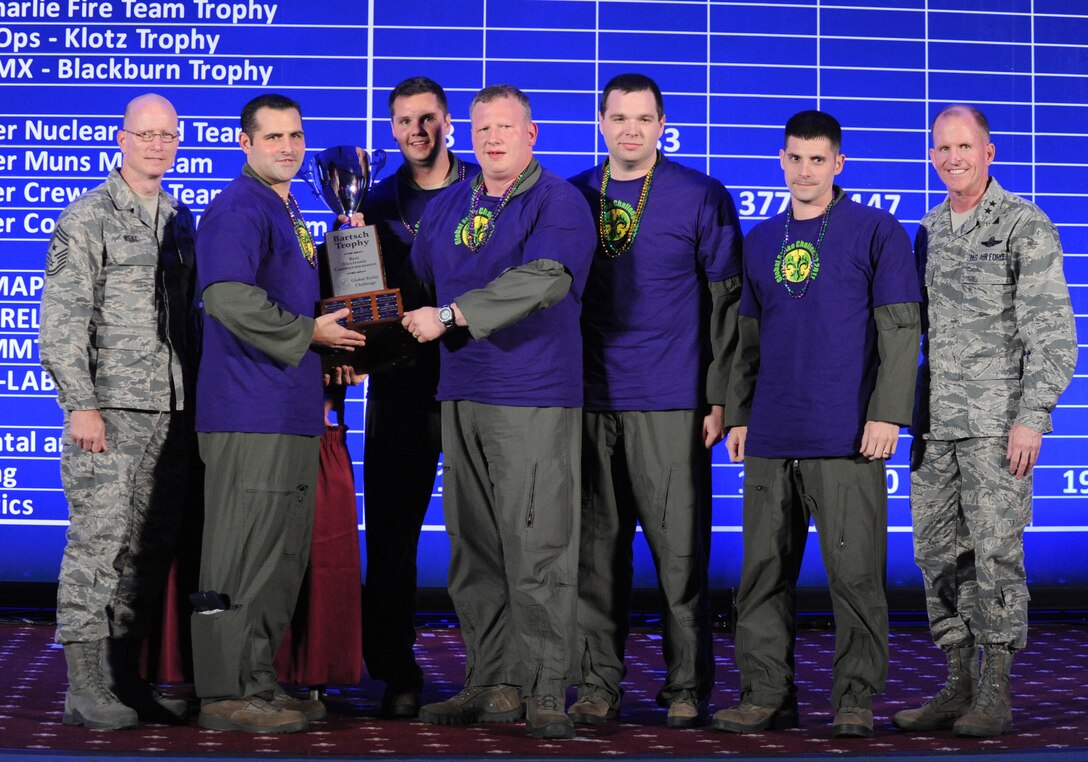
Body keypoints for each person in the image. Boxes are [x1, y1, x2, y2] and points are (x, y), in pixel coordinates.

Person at [711, 110, 921, 738]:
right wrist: (741, 415)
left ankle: (855, 698)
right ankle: (766, 694)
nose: (805, 170)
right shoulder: (759, 239)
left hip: (846, 436)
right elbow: (747, 339)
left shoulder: (877, 231)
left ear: (838, 164)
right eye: (795, 158)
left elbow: (901, 330)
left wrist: (887, 412)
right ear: (782, 161)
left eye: (817, 159)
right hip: (773, 434)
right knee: (761, 576)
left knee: (855, 577)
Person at [401, 84, 596, 740]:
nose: (492, 139)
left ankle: (545, 690)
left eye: (505, 128)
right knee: (474, 550)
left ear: (531, 134)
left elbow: (547, 277)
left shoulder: (559, 201)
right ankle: (492, 682)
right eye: (481, 129)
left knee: (538, 545)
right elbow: (419, 279)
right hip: (461, 390)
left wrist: (455, 315)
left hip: (532, 396)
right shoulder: (453, 202)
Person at [893, 105, 1077, 738]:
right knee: (937, 554)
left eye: (963, 146)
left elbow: (1052, 337)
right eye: (941, 149)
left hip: (999, 426)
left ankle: (995, 688)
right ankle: (957, 681)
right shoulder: (928, 229)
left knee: (995, 555)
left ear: (989, 151)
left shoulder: (1025, 224)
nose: (952, 158)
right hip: (934, 426)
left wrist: (1033, 419)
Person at [566, 73, 742, 728]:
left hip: (672, 405)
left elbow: (728, 311)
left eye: (643, 118)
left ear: (662, 124)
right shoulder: (573, 195)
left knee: (681, 557)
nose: (631, 129)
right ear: (602, 122)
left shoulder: (702, 195)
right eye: (619, 117)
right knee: (595, 558)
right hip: (589, 403)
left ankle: (686, 686)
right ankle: (596, 686)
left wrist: (721, 399)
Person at [190, 93, 365, 734]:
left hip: (290, 411)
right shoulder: (238, 207)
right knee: (239, 559)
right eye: (273, 137)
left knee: (278, 560)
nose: (288, 147)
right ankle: (222, 691)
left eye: (295, 136)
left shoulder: (287, 207)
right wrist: (310, 334)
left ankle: (258, 681)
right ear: (246, 143)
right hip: (248, 411)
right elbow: (228, 298)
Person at [39, 93, 196, 731]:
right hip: (108, 413)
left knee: (148, 553)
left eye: (167, 135)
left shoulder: (183, 220)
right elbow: (62, 322)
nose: (157, 145)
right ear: (122, 139)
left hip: (172, 411)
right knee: (96, 547)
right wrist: (81, 404)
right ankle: (84, 686)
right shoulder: (87, 218)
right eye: (145, 134)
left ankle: (125, 679)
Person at [360, 76, 479, 719]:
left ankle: (493, 669)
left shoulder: (484, 192)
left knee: (482, 534)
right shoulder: (371, 203)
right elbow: (356, 296)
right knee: (393, 536)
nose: (417, 131)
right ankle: (395, 670)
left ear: (447, 121)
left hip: (475, 378)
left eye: (427, 118)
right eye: (404, 121)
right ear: (394, 127)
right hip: (400, 383)